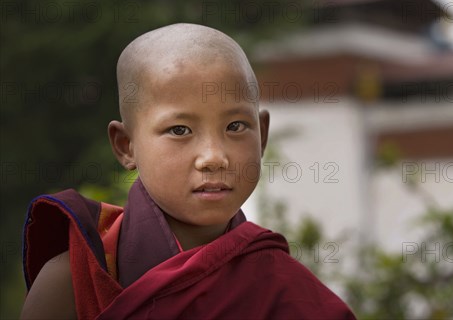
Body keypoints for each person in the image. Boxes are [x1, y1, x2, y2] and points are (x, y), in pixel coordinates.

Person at [20, 24, 356, 319]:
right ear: (126, 146)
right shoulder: (76, 280)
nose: (213, 157)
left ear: (262, 135)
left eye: (236, 126)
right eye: (180, 130)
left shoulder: (285, 290)